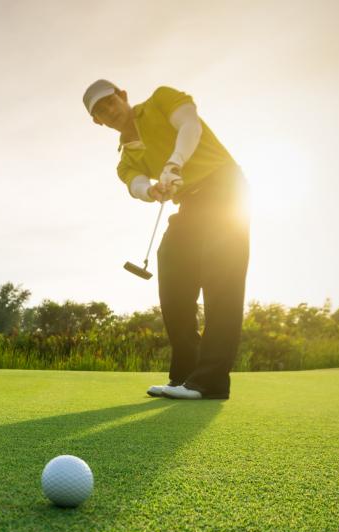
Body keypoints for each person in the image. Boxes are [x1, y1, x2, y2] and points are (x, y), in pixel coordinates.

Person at [82, 80, 250, 400]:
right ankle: (186, 374)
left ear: (123, 96)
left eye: (110, 101)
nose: (109, 110)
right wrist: (153, 190)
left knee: (221, 282)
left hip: (225, 188)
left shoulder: (161, 99)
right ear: (97, 122)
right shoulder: (125, 159)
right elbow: (136, 185)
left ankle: (211, 381)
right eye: (100, 111)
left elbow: (189, 124)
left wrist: (174, 163)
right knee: (171, 269)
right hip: (189, 203)